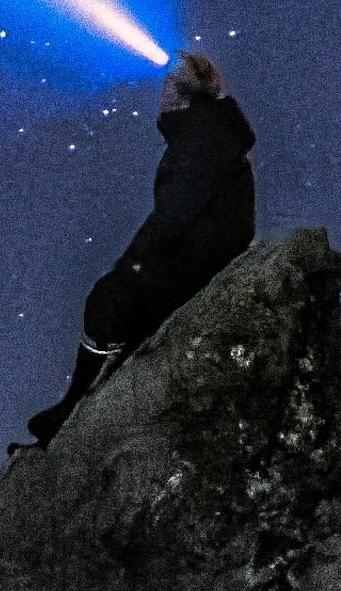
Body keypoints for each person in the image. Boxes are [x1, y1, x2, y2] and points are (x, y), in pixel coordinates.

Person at [21, 49, 257, 446]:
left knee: (111, 297)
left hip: (199, 260)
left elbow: (176, 213)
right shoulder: (208, 133)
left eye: (167, 84)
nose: (160, 92)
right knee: (121, 307)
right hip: (201, 255)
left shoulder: (203, 136)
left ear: (180, 93)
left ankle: (72, 408)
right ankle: (79, 404)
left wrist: (132, 263)